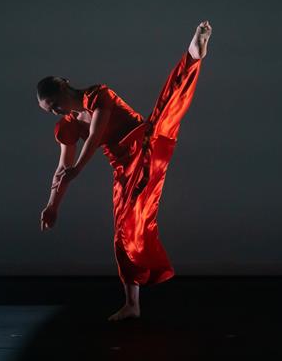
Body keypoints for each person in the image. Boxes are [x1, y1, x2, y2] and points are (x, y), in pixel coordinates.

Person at [36, 20, 212, 321]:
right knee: (123, 234)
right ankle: (132, 304)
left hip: (144, 144)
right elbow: (62, 168)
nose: (56, 111)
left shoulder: (99, 95)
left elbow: (95, 134)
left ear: (64, 86)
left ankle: (193, 54)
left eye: (54, 104)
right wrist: (52, 205)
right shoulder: (66, 125)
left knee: (167, 109)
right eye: (49, 110)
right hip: (124, 170)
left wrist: (78, 168)